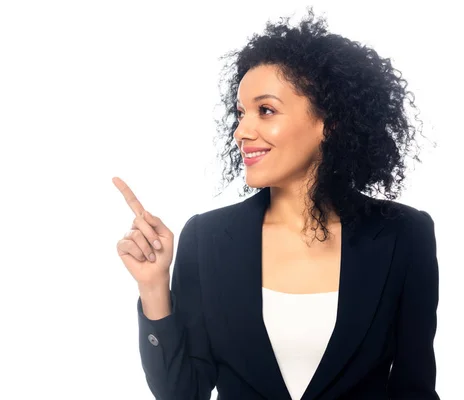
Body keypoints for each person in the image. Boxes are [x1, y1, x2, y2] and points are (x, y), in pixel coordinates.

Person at [113, 9, 440, 400]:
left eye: (265, 110)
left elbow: (413, 388)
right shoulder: (207, 239)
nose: (242, 130)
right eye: (240, 113)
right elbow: (184, 392)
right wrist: (153, 288)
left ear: (329, 122)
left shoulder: (403, 235)